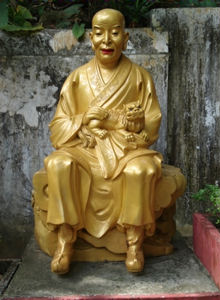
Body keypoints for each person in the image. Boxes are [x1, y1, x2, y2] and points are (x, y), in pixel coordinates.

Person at [44, 8, 162, 274]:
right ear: (90, 38)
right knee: (59, 163)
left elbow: (152, 119)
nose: (107, 40)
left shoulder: (140, 77)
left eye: (115, 33)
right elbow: (58, 126)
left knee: (141, 169)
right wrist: (83, 120)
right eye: (99, 33)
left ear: (126, 38)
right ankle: (65, 240)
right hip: (86, 147)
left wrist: (136, 124)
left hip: (125, 148)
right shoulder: (77, 79)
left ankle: (134, 241)